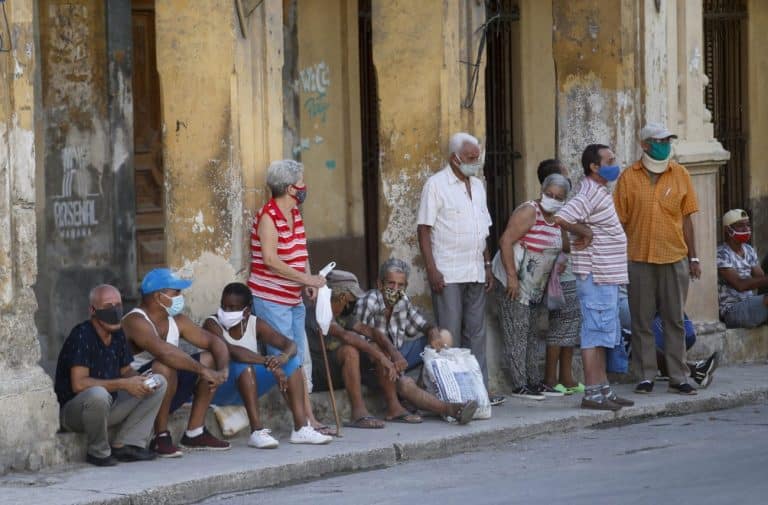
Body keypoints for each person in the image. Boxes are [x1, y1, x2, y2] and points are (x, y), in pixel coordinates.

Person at [417, 132, 503, 405]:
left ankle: (480, 390)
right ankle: (448, 393)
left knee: (476, 333)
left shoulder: (478, 185)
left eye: (477, 158)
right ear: (454, 158)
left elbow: (483, 229)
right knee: (449, 334)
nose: (474, 162)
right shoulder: (436, 185)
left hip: (475, 268)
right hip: (448, 271)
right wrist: (432, 269)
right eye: (470, 158)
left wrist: (487, 264)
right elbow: (424, 229)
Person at [614, 122, 700, 396]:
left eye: (668, 140)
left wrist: (693, 256)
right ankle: (645, 375)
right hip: (638, 258)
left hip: (674, 256)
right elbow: (619, 221)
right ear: (645, 144)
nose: (665, 145)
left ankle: (678, 376)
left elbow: (687, 219)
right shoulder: (629, 177)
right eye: (660, 141)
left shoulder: (680, 174)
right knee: (641, 320)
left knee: (674, 319)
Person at [248, 159, 333, 435]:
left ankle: (307, 419)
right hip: (272, 300)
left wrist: (306, 279)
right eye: (300, 183)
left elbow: (300, 251)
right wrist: (307, 279)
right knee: (287, 358)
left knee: (301, 358)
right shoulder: (268, 217)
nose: (304, 187)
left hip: (292, 297)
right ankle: (304, 421)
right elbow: (271, 260)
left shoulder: (295, 213)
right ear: (288, 188)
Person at [553, 144, 634, 411]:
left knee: (603, 336)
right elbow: (562, 217)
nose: (615, 163)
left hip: (606, 276)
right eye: (609, 160)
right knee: (593, 335)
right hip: (595, 276)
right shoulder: (589, 191)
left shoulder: (599, 191)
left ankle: (603, 390)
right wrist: (584, 233)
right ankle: (592, 393)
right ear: (594, 167)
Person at [202, 283, 332, 446]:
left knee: (293, 361)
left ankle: (301, 428)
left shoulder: (255, 323)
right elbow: (230, 351)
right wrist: (269, 362)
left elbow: (290, 344)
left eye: (233, 308)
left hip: (249, 385)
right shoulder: (212, 323)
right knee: (244, 366)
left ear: (247, 310)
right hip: (220, 388)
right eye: (224, 306)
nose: (227, 312)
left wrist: (282, 358)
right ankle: (257, 432)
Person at [350, 261, 479, 424]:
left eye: (400, 285)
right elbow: (360, 343)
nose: (395, 289)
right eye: (391, 283)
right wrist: (388, 358)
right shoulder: (368, 302)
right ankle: (452, 409)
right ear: (379, 283)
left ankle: (427, 389)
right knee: (404, 384)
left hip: (398, 356)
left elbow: (424, 324)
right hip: (374, 364)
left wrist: (432, 333)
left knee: (444, 336)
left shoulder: (402, 301)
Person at [122, 268, 231, 457]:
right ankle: (161, 436)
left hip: (168, 391)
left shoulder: (177, 320)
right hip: (138, 394)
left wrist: (223, 369)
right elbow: (164, 352)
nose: (181, 296)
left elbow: (214, 342)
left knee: (209, 357)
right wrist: (204, 371)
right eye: (176, 292)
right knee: (165, 365)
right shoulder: (135, 320)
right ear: (159, 296)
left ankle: (195, 432)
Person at [55, 285, 167, 466]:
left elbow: (125, 371)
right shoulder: (82, 335)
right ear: (92, 310)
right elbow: (79, 384)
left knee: (158, 382)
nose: (114, 311)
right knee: (98, 394)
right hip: (76, 413)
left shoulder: (117, 333)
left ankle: (127, 444)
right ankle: (98, 452)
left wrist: (139, 380)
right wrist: (124, 384)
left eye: (118, 305)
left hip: (108, 407)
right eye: (108, 306)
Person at [493, 173, 571, 400]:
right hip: (514, 279)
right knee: (516, 331)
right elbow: (506, 241)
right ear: (542, 191)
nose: (553, 199)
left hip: (536, 285)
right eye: (549, 194)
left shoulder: (558, 218)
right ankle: (520, 385)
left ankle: (533, 381)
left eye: (559, 197)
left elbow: (564, 246)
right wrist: (511, 278)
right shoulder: (529, 211)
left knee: (531, 333)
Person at [535, 159, 584, 396]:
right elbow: (564, 243)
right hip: (561, 276)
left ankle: (566, 376)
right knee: (559, 327)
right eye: (565, 173)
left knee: (570, 326)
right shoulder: (555, 207)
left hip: (571, 274)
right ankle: (551, 379)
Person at [618, 288, 720, 387]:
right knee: (637, 339)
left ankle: (669, 370)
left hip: (637, 299)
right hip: (619, 304)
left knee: (686, 334)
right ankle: (694, 371)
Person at [716, 209, 768, 328]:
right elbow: (740, 285)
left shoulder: (749, 250)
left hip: (750, 305)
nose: (746, 229)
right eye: (740, 226)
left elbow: (761, 278)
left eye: (748, 225)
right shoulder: (721, 253)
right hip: (732, 310)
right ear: (727, 229)